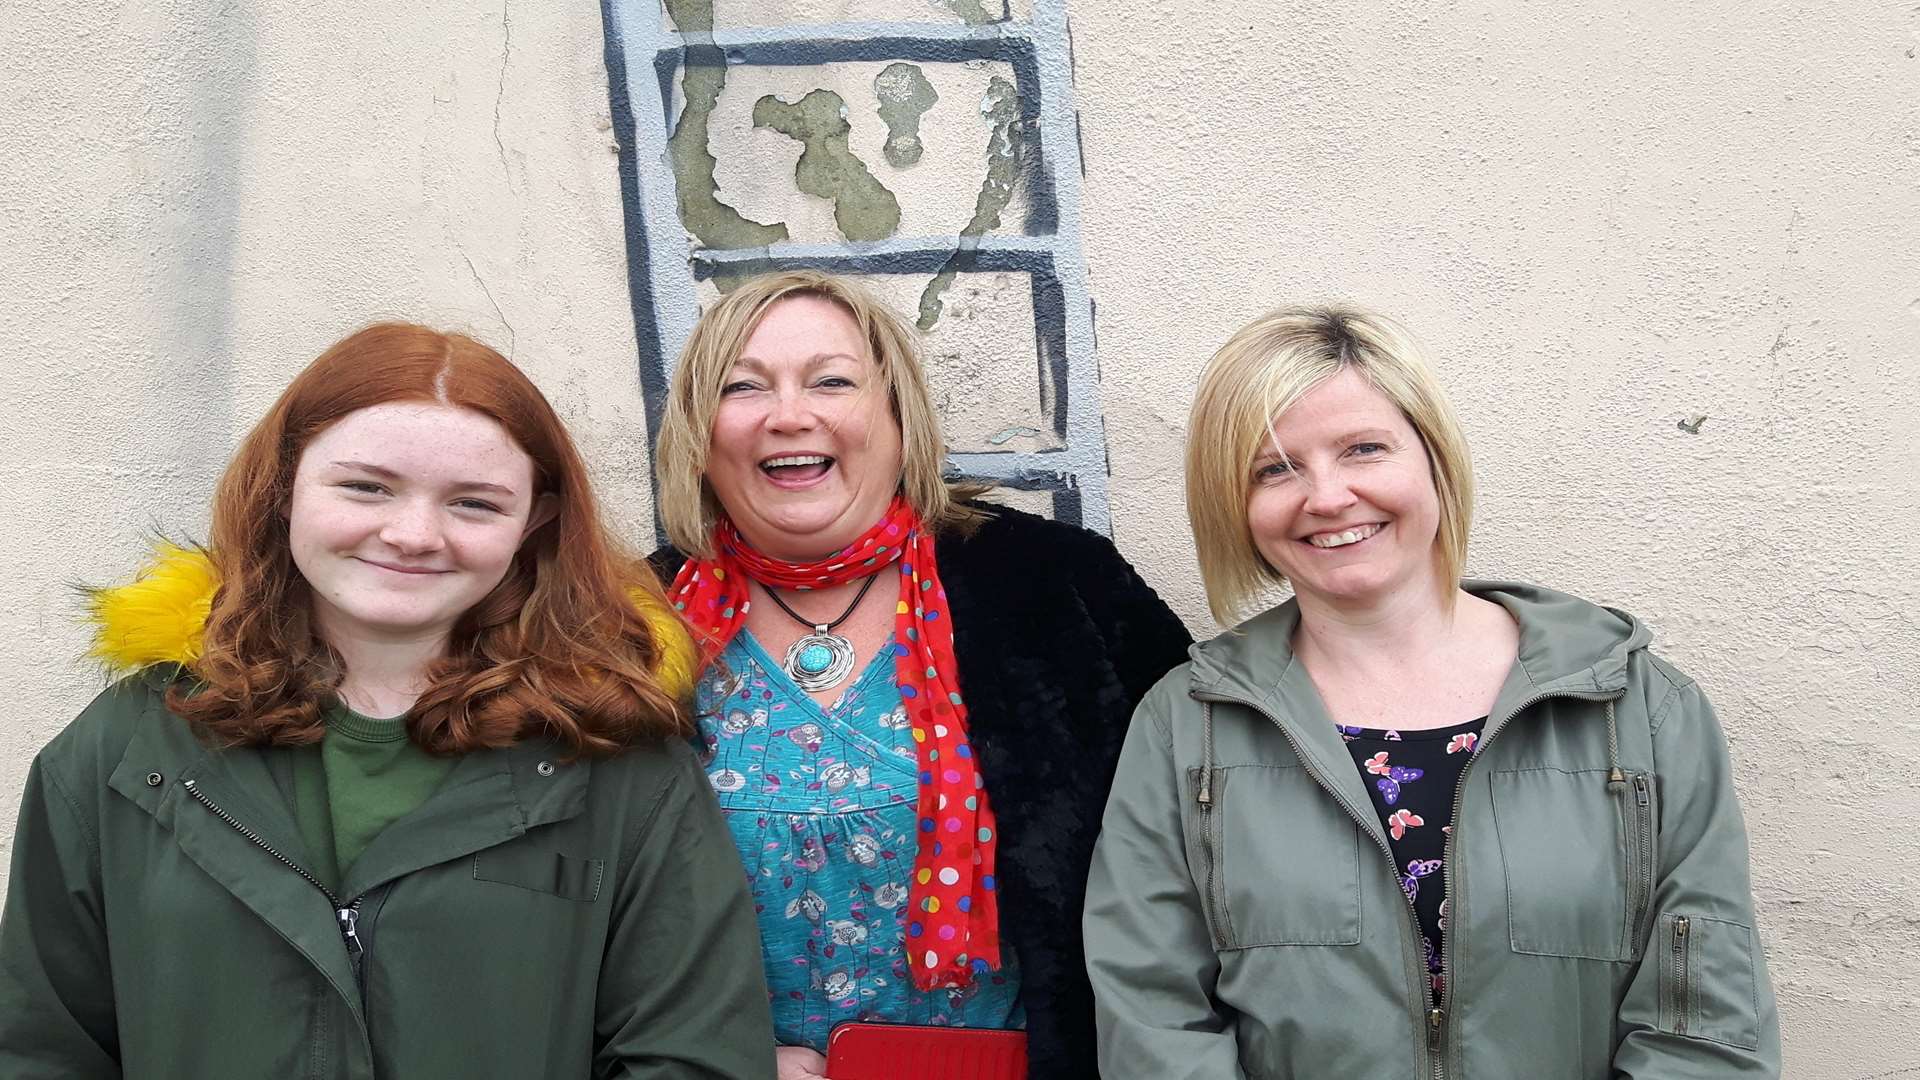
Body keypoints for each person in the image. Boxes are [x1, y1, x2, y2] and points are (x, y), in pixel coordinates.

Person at [0, 324, 776, 1078]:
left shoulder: (617, 763)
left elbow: (695, 1056)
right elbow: (41, 1047)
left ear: (533, 521)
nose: (412, 534)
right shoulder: (128, 752)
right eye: (366, 487)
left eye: (473, 503)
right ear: (285, 488)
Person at [1083, 305, 1780, 1078]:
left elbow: (1704, 1018)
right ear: (1237, 507)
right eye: (1275, 468)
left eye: (1363, 449)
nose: (1327, 495)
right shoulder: (1186, 727)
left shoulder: (1636, 708)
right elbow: (1154, 1019)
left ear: (1434, 461)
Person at [648, 270, 1192, 1079]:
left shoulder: (1055, 588)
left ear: (899, 416)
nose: (789, 414)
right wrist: (715, 1057)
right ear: (701, 432)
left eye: (832, 381)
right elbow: (582, 916)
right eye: (742, 387)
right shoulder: (627, 625)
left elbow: (1193, 853)